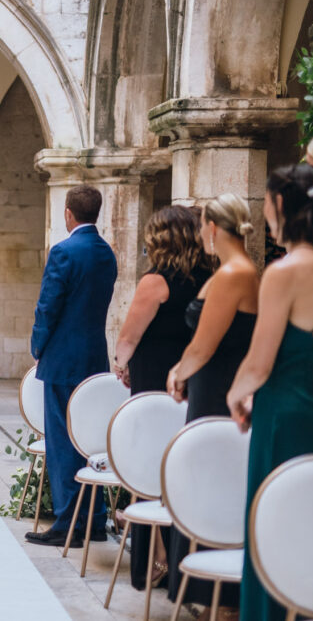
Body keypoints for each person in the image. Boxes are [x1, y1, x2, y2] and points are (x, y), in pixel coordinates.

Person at [224, 164, 313, 621]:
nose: (263, 214)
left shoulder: (285, 273)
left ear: (282, 204)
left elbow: (258, 362)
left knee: (273, 529)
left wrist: (236, 395)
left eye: (265, 203)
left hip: (282, 420)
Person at [164, 193, 258, 614]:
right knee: (206, 475)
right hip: (211, 385)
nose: (200, 233)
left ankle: (213, 594)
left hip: (218, 386)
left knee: (210, 477)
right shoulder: (233, 270)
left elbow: (204, 345)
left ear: (214, 228)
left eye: (202, 224)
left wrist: (178, 372)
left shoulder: (235, 273)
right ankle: (205, 589)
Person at [112, 205, 210, 590]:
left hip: (154, 383)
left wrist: (120, 365)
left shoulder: (155, 282)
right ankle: (177, 557)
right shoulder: (211, 276)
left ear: (160, 239)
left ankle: (154, 559)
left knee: (149, 465)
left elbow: (128, 338)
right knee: (180, 466)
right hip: (191, 382)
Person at [25, 184, 117, 549]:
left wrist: (37, 345)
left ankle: (67, 524)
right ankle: (94, 520)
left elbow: (48, 306)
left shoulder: (63, 251)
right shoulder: (106, 253)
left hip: (63, 358)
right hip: (94, 356)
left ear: (68, 214)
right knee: (89, 438)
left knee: (63, 442)